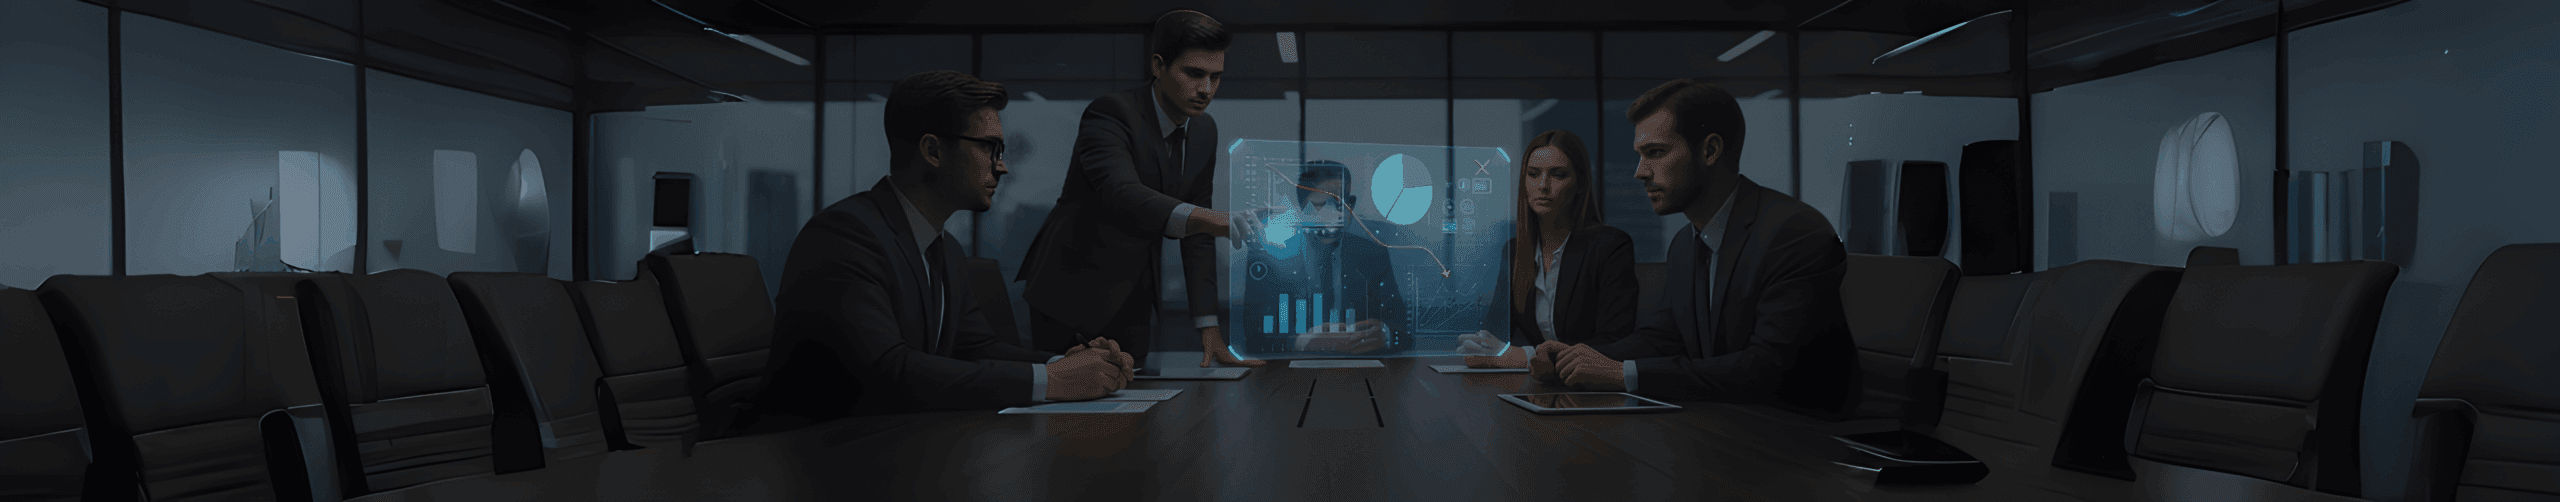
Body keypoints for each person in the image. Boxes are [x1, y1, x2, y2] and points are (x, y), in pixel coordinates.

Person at [745, 71, 1135, 427]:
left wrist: (1068, 364)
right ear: (933, 151)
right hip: (814, 455)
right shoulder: (845, 235)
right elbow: (887, 371)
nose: (1002, 167)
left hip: (891, 445)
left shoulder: (942, 246)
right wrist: (1050, 381)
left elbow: (974, 348)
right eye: (990, 148)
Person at [1532, 79, 1859, 413]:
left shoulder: (1793, 233)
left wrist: (1622, 373)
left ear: (1710, 151)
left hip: (1800, 438)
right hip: (1724, 424)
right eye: (1640, 156)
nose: (1640, 172)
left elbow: (1768, 369)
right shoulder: (1684, 245)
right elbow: (1661, 338)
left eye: (1655, 153)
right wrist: (1575, 357)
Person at [1017, 10, 1266, 369]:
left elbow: (1198, 236)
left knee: (1137, 403)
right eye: (1194, 74)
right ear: (1158, 66)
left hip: (1133, 294)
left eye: (1216, 77)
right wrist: (1212, 220)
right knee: (1063, 408)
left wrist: (1209, 328)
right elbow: (1120, 190)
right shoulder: (1111, 113)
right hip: (1070, 289)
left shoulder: (1203, 131)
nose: (1206, 90)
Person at [1456, 130, 1640, 369]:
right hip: (1540, 388)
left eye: (1558, 175)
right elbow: (1497, 332)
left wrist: (1524, 357)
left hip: (1592, 389)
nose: (1543, 185)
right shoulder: (1513, 250)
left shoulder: (1610, 247)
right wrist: (1478, 345)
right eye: (1533, 175)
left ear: (1580, 184)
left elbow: (1615, 341)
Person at [1235, 161, 1412, 356]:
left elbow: (1403, 332)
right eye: (1320, 205)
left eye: (1341, 203)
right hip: (1291, 374)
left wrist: (1386, 335)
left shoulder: (1372, 254)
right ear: (1302, 209)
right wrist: (1302, 343)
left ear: (1350, 204)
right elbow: (1253, 338)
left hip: (1358, 371)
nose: (1334, 215)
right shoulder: (1270, 253)